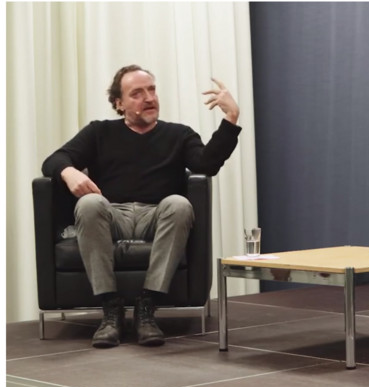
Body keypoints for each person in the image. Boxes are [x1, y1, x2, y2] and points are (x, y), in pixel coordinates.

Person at [41, 65, 242, 348]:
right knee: (88, 204)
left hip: (157, 215)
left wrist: (231, 119)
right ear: (119, 104)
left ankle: (148, 306)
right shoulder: (99, 132)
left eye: (152, 90)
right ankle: (110, 307)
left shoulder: (179, 135)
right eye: (137, 93)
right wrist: (68, 171)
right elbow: (54, 159)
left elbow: (206, 164)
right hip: (113, 215)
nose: (149, 97)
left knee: (179, 204)